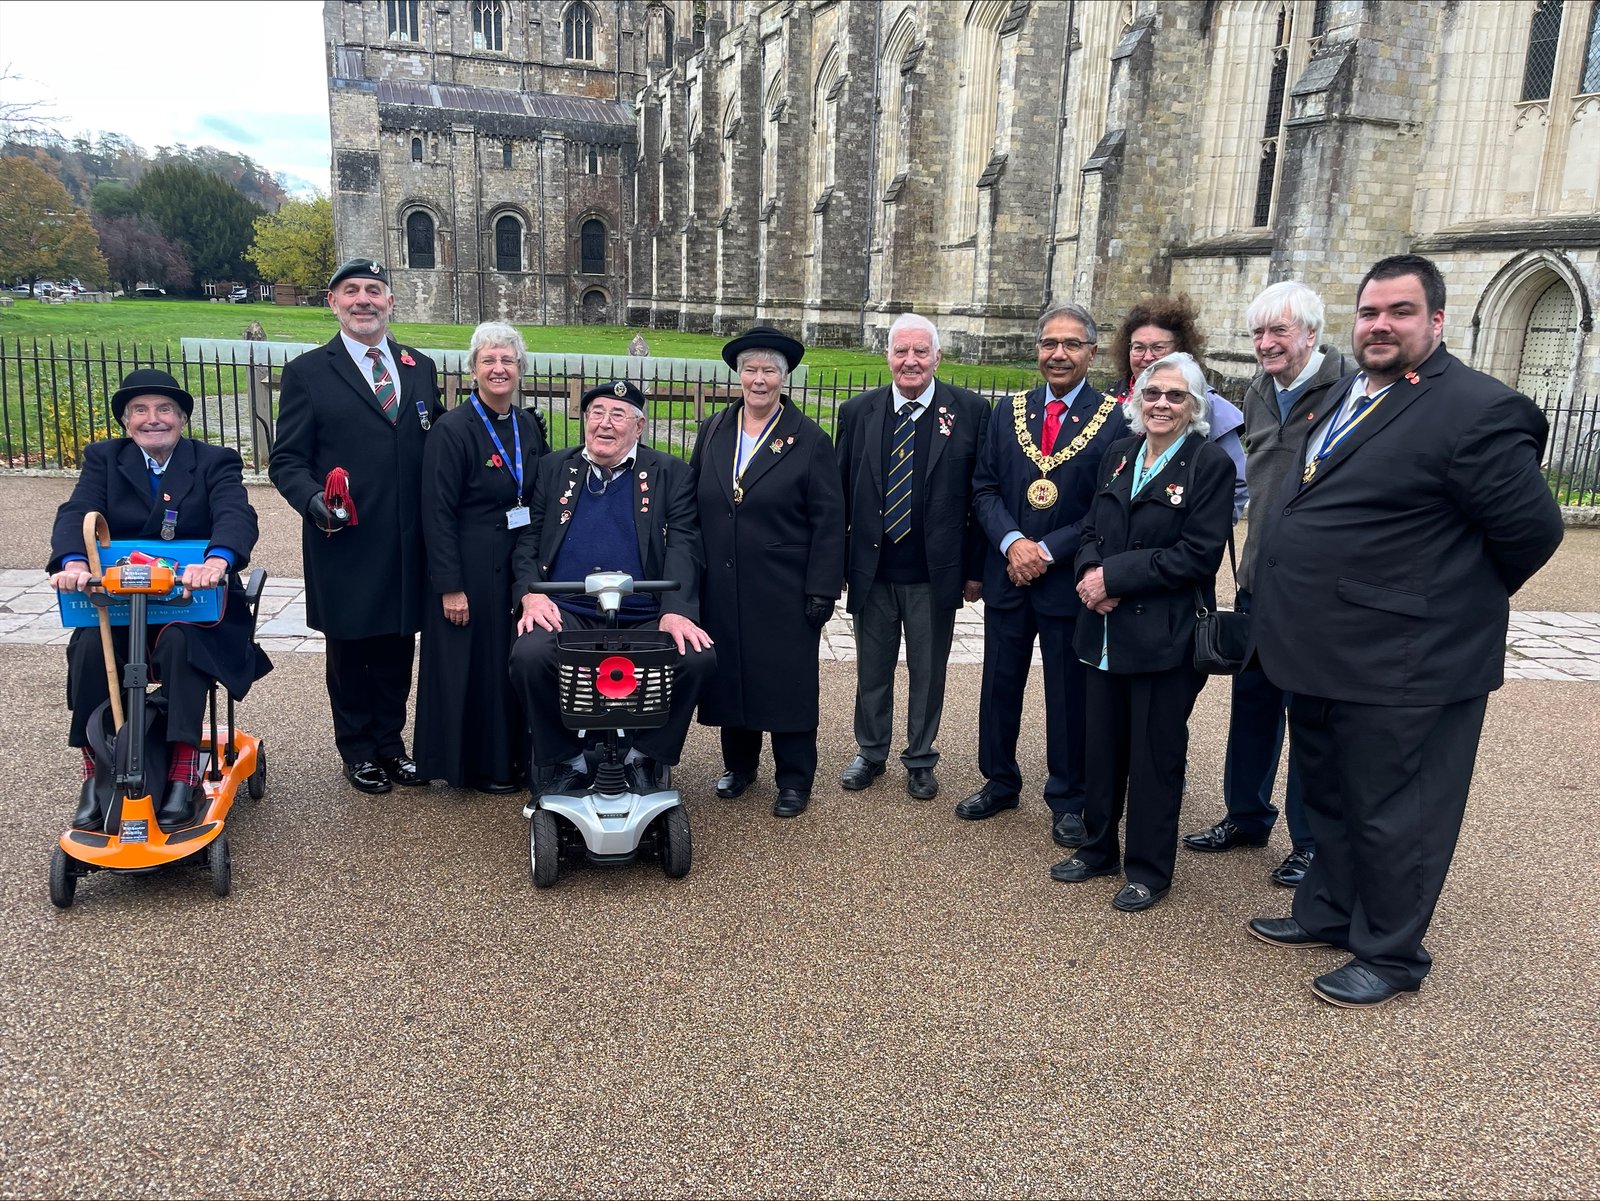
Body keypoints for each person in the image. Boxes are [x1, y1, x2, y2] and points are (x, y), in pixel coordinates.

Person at [1248, 254, 1563, 1007]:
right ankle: (1327, 910)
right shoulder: (1348, 394)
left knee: (1400, 811)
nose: (1380, 325)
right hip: (1325, 650)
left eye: (1399, 312)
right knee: (1331, 793)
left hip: (1409, 660)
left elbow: (1532, 531)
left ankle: (1390, 954)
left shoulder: (1477, 409)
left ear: (1437, 321)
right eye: (1369, 312)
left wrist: (1437, 601)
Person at [1181, 281, 1353, 886]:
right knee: (1253, 707)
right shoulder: (1257, 392)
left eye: (1279, 331)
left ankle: (1310, 841)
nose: (1266, 343)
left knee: (1309, 716)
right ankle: (1246, 815)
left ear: (1311, 332)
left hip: (1317, 591)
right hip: (1259, 580)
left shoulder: (1350, 390)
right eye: (1258, 333)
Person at [47, 369, 271, 831]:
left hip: (197, 604)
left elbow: (235, 512)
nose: (154, 419)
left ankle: (181, 771)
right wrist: (72, 562)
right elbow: (77, 510)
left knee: (180, 647)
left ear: (182, 419)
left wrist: (217, 560)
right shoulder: (105, 459)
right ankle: (97, 772)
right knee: (89, 648)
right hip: (127, 608)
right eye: (141, 411)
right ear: (127, 422)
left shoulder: (214, 461)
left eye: (165, 409)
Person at [1050, 353, 1233, 912]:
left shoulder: (1208, 464)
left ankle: (1150, 868)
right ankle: (1099, 848)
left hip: (1163, 639)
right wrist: (1087, 573)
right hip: (1101, 632)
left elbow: (1198, 555)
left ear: (1194, 407)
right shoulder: (1118, 453)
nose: (1161, 405)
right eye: (1152, 394)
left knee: (1154, 757)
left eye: (1175, 396)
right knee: (1101, 749)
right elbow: (1090, 528)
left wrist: (1117, 579)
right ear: (1137, 399)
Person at [269, 258, 443, 797]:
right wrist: (313, 500)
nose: (363, 300)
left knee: (397, 644)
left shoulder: (419, 367)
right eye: (352, 291)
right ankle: (358, 749)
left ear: (391, 301)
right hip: (343, 536)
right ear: (333, 302)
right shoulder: (309, 372)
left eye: (374, 290)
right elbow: (287, 460)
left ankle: (391, 745)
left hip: (406, 536)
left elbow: (434, 440)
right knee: (350, 649)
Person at [966, 303, 1128, 847]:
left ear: (1091, 352)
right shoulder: (1006, 411)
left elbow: (1105, 507)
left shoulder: (1115, 421)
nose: (1058, 354)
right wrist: (1014, 544)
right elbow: (984, 488)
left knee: (1068, 692)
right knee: (999, 682)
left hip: (1066, 580)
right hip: (1009, 573)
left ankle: (1068, 797)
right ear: (1037, 349)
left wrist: (1047, 552)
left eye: (1072, 344)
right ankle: (999, 780)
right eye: (1049, 344)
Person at [509, 380, 714, 796]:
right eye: (597, 413)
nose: (605, 424)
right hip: (568, 609)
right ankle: (564, 758)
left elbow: (684, 545)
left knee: (697, 659)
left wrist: (676, 609)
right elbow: (527, 541)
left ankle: (645, 756)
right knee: (529, 656)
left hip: (643, 614)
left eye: (618, 415)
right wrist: (531, 594)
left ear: (638, 427)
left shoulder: (671, 474)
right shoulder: (554, 469)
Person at [690, 326, 846, 819]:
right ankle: (740, 767)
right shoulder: (714, 429)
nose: (759, 380)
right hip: (724, 581)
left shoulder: (809, 440)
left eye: (769, 371)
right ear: (738, 375)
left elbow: (829, 521)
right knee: (732, 673)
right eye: (751, 370)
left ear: (785, 377)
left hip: (783, 586)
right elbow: (694, 503)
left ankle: (794, 779)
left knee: (787, 683)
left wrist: (822, 587)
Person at [833, 313, 989, 802]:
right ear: (888, 357)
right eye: (901, 351)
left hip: (933, 573)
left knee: (928, 671)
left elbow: (982, 496)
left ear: (937, 357)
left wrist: (975, 570)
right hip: (873, 570)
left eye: (921, 351)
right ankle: (871, 751)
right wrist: (837, 565)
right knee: (871, 670)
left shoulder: (969, 411)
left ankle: (920, 758)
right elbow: (838, 494)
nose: (911, 361)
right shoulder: (858, 412)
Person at [414, 322, 549, 792]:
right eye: (488, 360)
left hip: (517, 558)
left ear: (520, 370)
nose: (498, 369)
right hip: (469, 564)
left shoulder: (527, 423)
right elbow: (437, 512)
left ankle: (514, 758)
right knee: (473, 664)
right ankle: (474, 766)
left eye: (507, 361)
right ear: (472, 369)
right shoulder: (452, 430)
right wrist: (450, 585)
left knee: (510, 659)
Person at [1105, 295, 1248, 521]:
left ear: (1180, 349)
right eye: (1138, 348)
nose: (1147, 357)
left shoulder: (1208, 406)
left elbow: (1237, 485)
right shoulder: (1109, 402)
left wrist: (1203, 533)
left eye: (1158, 348)